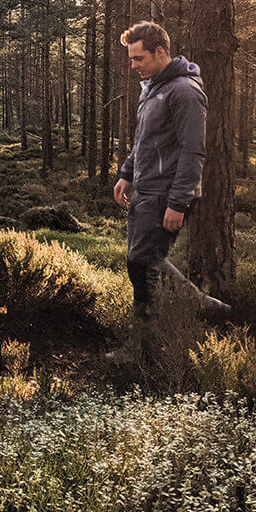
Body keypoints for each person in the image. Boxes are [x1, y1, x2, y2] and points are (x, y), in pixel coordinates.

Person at [108, 21, 210, 361]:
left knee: (141, 262)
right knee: (146, 259)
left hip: (166, 195)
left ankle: (143, 349)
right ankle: (207, 307)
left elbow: (193, 151)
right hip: (146, 191)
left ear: (160, 52)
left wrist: (178, 202)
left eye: (139, 58)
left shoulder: (184, 92)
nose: (133, 65)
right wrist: (126, 174)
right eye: (131, 59)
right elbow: (145, 141)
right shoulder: (153, 88)